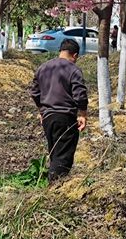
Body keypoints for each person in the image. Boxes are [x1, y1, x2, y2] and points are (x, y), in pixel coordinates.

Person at [30, 39, 88, 183]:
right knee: (63, 156)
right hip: (65, 117)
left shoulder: (44, 68)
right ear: (74, 55)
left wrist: (41, 111)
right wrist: (83, 114)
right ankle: (54, 188)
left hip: (48, 118)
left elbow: (35, 92)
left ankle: (51, 183)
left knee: (54, 152)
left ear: (61, 51)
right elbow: (80, 94)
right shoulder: (73, 69)